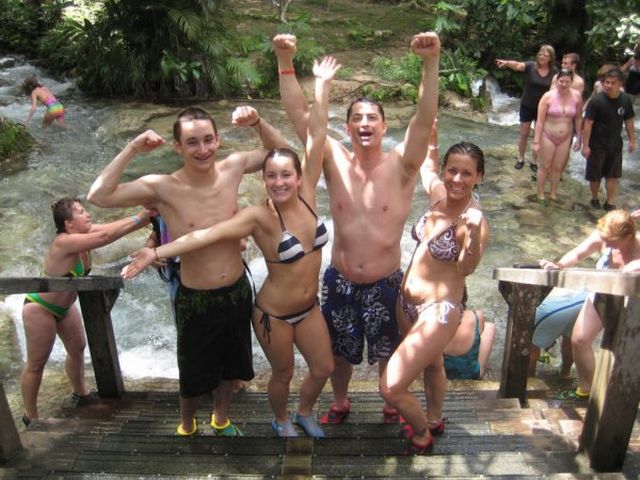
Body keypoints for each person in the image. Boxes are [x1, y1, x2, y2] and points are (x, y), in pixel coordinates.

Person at [122, 56, 340, 438]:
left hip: (309, 308)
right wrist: (155, 253)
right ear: (263, 180)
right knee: (284, 373)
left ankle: (305, 411)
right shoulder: (256, 217)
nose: (279, 182)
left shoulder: (308, 194)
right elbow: (204, 236)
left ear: (298, 176)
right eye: (271, 177)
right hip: (273, 314)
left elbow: (317, 134)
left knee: (324, 368)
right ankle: (281, 420)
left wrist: (322, 87)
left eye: (285, 175)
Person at [87, 105, 288, 437]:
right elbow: (99, 196)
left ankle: (220, 419)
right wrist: (133, 148)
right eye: (192, 142)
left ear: (218, 139)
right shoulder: (163, 187)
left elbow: (282, 154)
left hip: (237, 289)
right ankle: (187, 424)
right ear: (178, 147)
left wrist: (257, 122)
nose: (203, 149)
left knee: (231, 369)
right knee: (192, 370)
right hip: (194, 296)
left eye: (208, 139)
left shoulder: (233, 167)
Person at [273, 32, 440, 425]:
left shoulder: (403, 164)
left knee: (388, 350)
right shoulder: (333, 159)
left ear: (384, 126)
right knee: (337, 353)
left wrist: (431, 63)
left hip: (388, 281)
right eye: (357, 118)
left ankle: (391, 403)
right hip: (341, 280)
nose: (365, 123)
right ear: (347, 128)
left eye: (372, 118)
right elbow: (301, 116)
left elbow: (424, 119)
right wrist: (284, 61)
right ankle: (340, 401)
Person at [379, 142, 489, 454]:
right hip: (407, 305)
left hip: (438, 310)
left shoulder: (475, 221)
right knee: (433, 363)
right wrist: (432, 141)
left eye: (467, 173)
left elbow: (466, 268)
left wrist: (473, 236)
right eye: (452, 170)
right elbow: (427, 170)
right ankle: (435, 418)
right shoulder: (439, 195)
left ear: (479, 177)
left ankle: (422, 434)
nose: (457, 179)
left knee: (391, 387)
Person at [21, 198, 151, 426]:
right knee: (37, 363)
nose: (88, 214)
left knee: (77, 348)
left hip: (64, 306)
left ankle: (81, 392)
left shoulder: (83, 234)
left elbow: (113, 229)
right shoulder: (64, 242)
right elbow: (105, 237)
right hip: (40, 308)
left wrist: (147, 215)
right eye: (81, 212)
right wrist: (140, 217)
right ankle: (30, 416)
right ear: (68, 223)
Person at [538, 209, 640, 399]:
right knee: (580, 339)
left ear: (628, 236)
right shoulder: (601, 237)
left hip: (633, 301)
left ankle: (631, 393)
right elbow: (577, 254)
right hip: (602, 293)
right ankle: (587, 389)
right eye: (604, 238)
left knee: (627, 349)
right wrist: (558, 266)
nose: (606, 243)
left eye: (612, 240)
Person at [582, 68, 636, 211]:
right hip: (597, 144)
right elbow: (588, 123)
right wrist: (585, 145)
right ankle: (595, 198)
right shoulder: (596, 101)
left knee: (613, 175)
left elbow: (629, 121)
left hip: (615, 144)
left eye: (613, 83)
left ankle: (610, 202)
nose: (609, 85)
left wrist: (632, 140)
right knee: (595, 175)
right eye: (607, 82)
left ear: (620, 84)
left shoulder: (625, 99)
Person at [496, 45, 556, 172]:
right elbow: (518, 65)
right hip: (527, 105)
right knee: (524, 134)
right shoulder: (531, 66)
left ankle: (533, 160)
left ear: (550, 58)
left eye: (545, 55)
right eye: (540, 54)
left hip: (543, 109)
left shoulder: (554, 72)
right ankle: (520, 158)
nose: (542, 57)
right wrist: (507, 63)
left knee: (537, 136)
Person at [532, 69, 583, 203]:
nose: (564, 84)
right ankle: (540, 193)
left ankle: (553, 193)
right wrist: (536, 142)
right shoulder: (547, 97)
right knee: (545, 166)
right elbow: (539, 121)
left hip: (565, 137)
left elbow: (578, 118)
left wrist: (579, 138)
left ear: (571, 82)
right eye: (561, 81)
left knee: (558, 167)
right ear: (556, 81)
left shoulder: (577, 97)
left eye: (567, 82)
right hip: (547, 135)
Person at [528, 288, 588, 377]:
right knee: (569, 339)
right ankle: (565, 373)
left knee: (530, 344)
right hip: (582, 299)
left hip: (552, 306)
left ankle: (529, 378)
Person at [443, 309, 495, 380]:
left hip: (438, 373)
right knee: (489, 326)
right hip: (469, 374)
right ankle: (478, 368)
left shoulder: (431, 318)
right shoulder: (475, 315)